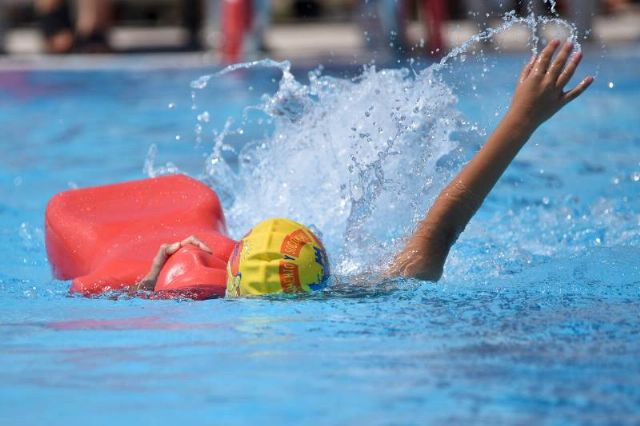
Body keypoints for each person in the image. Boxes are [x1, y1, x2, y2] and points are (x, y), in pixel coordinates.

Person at [132, 39, 593, 296]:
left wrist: (149, 288)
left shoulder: (206, 308)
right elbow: (442, 225)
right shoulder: (365, 293)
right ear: (323, 265)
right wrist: (522, 119)